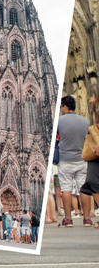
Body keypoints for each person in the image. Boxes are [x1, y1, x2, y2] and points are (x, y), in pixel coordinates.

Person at [57, 95, 92, 226]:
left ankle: (68, 219)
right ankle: (87, 218)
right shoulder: (85, 121)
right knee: (83, 188)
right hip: (82, 160)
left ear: (65, 107)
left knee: (66, 189)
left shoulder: (60, 121)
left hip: (65, 160)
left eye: (61, 107)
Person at [79, 87, 99, 227]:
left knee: (92, 182)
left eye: (91, 96)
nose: (89, 98)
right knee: (89, 184)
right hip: (94, 153)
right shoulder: (94, 112)